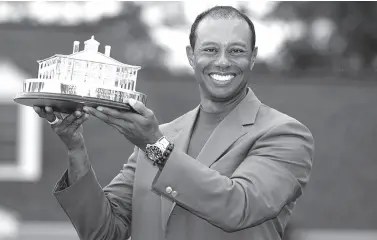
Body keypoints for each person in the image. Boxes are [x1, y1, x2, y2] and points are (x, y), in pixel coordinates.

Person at [33, 5, 314, 240]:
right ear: (191, 56)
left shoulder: (285, 135)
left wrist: (155, 146)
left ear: (253, 57)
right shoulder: (160, 135)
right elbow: (102, 232)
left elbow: (239, 207)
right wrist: (75, 147)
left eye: (237, 51)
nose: (223, 61)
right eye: (210, 49)